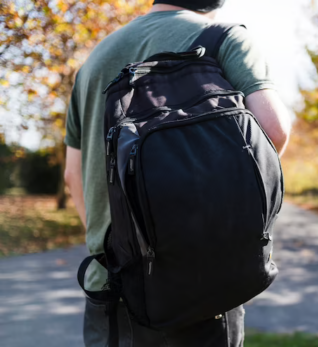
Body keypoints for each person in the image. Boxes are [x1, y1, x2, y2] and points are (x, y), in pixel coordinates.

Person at [64, 0, 291, 346]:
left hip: (109, 285)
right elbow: (272, 131)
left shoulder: (94, 61)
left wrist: (120, 242)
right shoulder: (223, 38)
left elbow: (72, 174)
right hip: (198, 287)